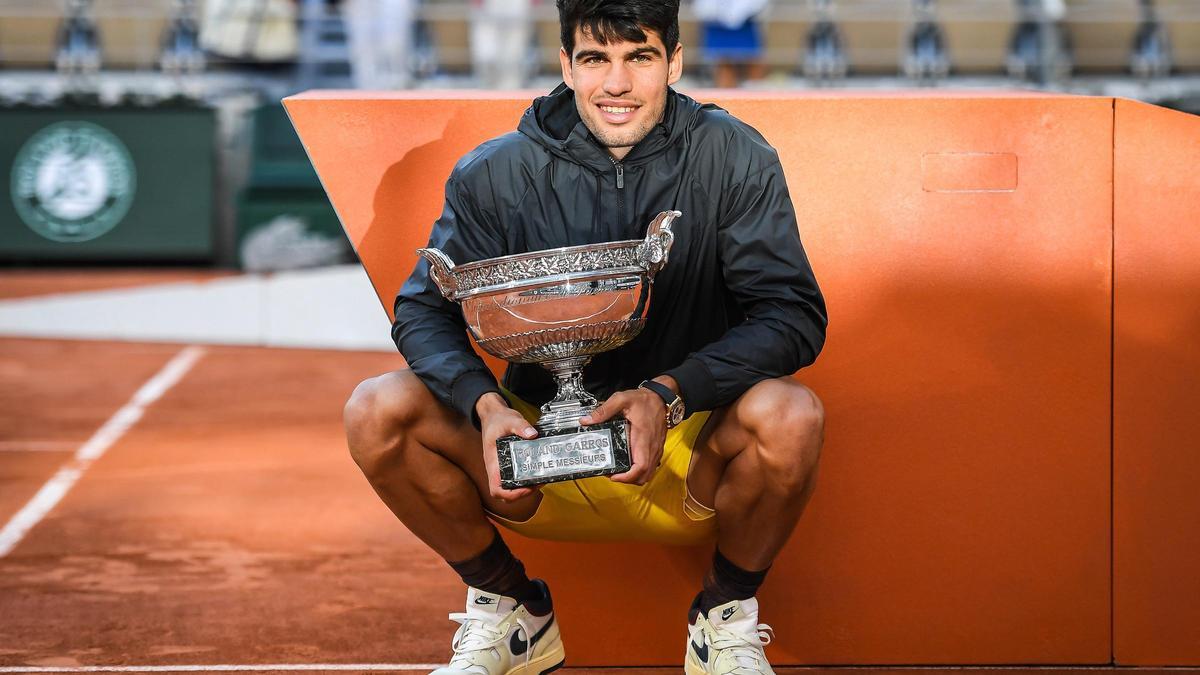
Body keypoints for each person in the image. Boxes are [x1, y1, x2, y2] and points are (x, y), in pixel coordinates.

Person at [342, 1, 827, 674]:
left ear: (675, 61)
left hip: (683, 453)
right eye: (597, 59)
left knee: (791, 415)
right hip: (536, 454)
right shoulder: (494, 173)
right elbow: (423, 310)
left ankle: (722, 618)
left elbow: (793, 312)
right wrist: (486, 409)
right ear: (566, 64)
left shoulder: (735, 156)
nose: (617, 84)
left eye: (640, 58)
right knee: (376, 409)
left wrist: (670, 394)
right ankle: (514, 610)